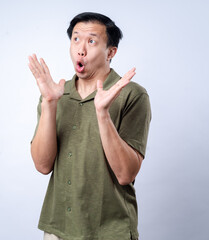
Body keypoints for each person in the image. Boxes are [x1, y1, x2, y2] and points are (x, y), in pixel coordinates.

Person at [28, 12, 151, 240]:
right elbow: (43, 165)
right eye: (76, 39)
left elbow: (126, 174)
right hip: (58, 228)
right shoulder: (55, 94)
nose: (80, 49)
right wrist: (49, 104)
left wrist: (102, 114)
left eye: (91, 41)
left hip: (110, 231)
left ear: (111, 52)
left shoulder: (132, 95)